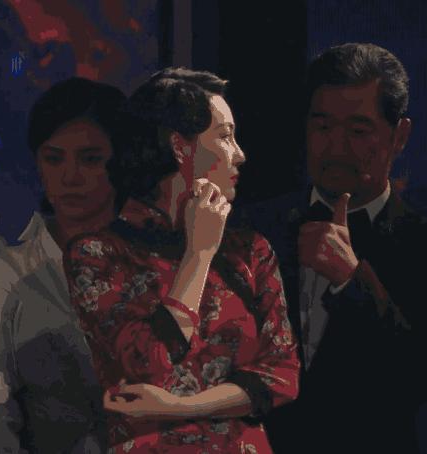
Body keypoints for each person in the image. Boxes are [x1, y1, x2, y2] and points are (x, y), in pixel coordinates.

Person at [64, 67, 300, 453]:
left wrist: (181, 407)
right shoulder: (97, 254)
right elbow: (149, 364)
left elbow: (283, 376)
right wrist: (198, 255)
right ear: (180, 146)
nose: (240, 154)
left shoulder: (250, 251)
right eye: (225, 136)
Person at [244, 43, 427, 453]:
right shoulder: (252, 229)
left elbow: (423, 380)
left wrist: (351, 281)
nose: (336, 147)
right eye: (323, 127)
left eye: (358, 131)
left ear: (400, 136)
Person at [0, 77, 128, 453]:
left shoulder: (156, 263)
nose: (70, 176)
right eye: (54, 158)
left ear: (121, 162)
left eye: (90, 159)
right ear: (38, 165)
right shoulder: (7, 277)